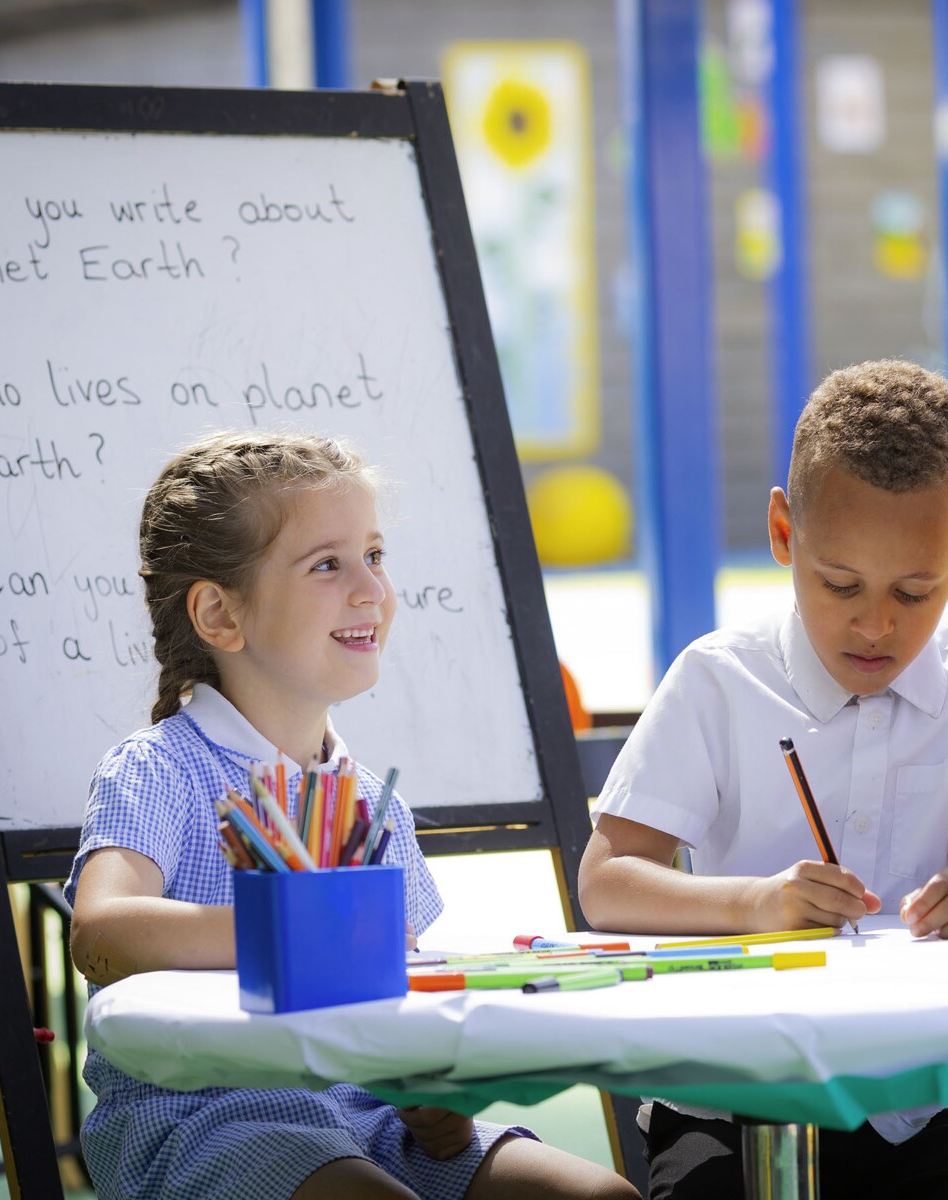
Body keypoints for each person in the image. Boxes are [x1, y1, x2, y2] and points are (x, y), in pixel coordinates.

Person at [66, 431, 636, 1200]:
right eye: (327, 565)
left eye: (374, 555)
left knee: (602, 1197)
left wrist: (434, 1099)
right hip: (204, 1114)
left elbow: (394, 999)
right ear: (218, 614)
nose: (371, 589)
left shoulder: (371, 802)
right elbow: (98, 935)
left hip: (364, 1112)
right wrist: (290, 931)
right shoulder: (160, 769)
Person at [578, 360, 948, 1199]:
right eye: (839, 584)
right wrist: (753, 905)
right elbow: (607, 882)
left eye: (917, 591)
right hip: (739, 1095)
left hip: (941, 1092)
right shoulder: (718, 678)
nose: (875, 625)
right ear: (782, 530)